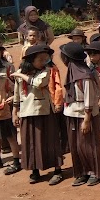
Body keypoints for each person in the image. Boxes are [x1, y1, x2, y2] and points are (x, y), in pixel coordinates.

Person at [12, 44, 64, 185]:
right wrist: (14, 112)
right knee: (30, 142)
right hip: (26, 112)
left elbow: (39, 83)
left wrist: (21, 75)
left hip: (43, 111)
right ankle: (35, 171)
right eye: (40, 59)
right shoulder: (20, 74)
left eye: (45, 59)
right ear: (30, 61)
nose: (43, 62)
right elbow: (17, 95)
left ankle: (57, 170)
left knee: (49, 140)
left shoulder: (46, 71)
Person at [60, 42, 100, 186]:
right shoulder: (72, 73)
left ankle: (94, 172)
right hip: (71, 113)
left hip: (85, 115)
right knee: (76, 145)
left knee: (88, 145)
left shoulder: (85, 75)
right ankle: (82, 172)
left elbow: (89, 98)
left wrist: (87, 119)